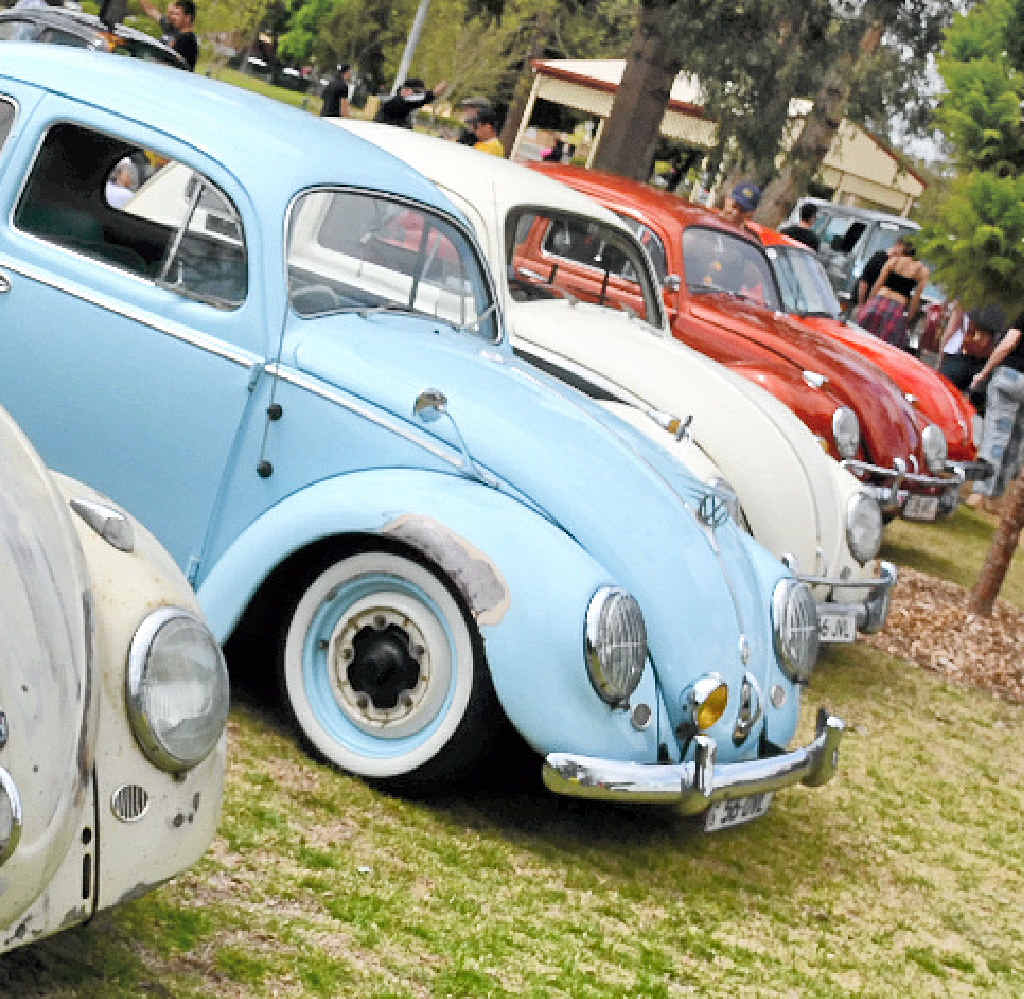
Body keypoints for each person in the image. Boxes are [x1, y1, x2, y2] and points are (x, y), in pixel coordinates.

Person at [968, 312, 1024, 502]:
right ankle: (997, 497)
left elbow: (1009, 342)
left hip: (1010, 377)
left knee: (996, 437)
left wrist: (983, 373)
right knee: (1016, 443)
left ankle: (980, 492)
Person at [854, 239, 929, 350]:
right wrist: (909, 318)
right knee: (883, 347)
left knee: (860, 339)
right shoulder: (922, 271)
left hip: (878, 302)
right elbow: (915, 300)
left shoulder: (894, 261)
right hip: (896, 309)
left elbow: (878, 285)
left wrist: (868, 303)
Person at [139, 0, 198, 71]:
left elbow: (170, 64)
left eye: (177, 14)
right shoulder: (170, 27)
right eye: (172, 13)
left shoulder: (187, 39)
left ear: (187, 18)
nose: (172, 17)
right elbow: (151, 10)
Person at [374, 78, 449, 128]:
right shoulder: (395, 103)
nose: (418, 97)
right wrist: (433, 93)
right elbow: (427, 96)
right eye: (417, 93)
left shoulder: (405, 102)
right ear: (406, 90)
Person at [855, 236, 907, 309]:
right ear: (898, 245)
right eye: (904, 252)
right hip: (867, 303)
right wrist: (861, 305)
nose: (905, 256)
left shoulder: (899, 265)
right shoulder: (878, 259)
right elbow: (864, 283)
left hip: (881, 308)